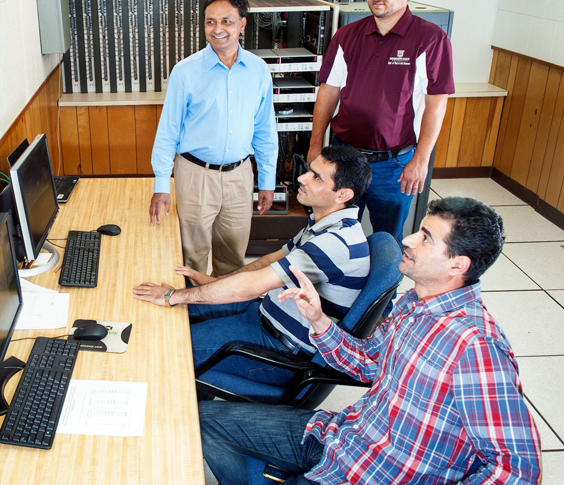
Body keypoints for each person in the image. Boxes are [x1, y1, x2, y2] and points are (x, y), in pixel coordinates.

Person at [199, 197, 542, 485]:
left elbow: (517, 468)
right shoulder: (414, 305)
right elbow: (366, 363)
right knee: (201, 419)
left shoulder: (476, 346)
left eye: (425, 238)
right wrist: (318, 319)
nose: (408, 240)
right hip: (343, 438)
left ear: (458, 265)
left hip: (378, 474)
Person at [134, 146, 371, 399]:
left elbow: (254, 284)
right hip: (261, 315)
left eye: (316, 177)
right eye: (309, 171)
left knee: (166, 343)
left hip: (277, 351)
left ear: (343, 194)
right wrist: (217, 281)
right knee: (162, 319)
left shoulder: (335, 243)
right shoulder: (327, 225)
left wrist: (174, 295)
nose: (302, 178)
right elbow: (268, 261)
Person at [308, 0, 454, 244]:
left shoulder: (430, 39)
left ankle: (385, 290)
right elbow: (329, 91)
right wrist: (316, 146)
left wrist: (421, 160)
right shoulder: (347, 36)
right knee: (332, 234)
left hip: (394, 164)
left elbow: (437, 103)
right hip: (344, 158)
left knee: (388, 240)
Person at [149, 0, 278, 278]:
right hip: (195, 175)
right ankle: (193, 316)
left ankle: (224, 313)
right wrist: (160, 183)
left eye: (227, 21)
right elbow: (167, 130)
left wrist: (267, 180)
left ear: (243, 24)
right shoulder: (186, 71)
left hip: (239, 176)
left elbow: (265, 131)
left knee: (233, 256)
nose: (218, 29)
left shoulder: (258, 70)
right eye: (210, 22)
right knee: (192, 257)